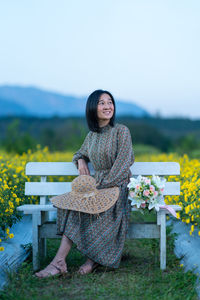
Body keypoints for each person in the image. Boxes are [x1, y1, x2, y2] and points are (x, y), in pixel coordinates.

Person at [35, 89, 134, 278]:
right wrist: (80, 160)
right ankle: (60, 262)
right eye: (102, 103)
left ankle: (89, 260)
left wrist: (97, 185)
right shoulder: (91, 136)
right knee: (75, 206)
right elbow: (78, 153)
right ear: (92, 108)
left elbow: (122, 167)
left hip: (117, 189)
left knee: (86, 206)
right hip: (97, 188)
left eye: (110, 102)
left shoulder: (121, 131)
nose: (107, 106)